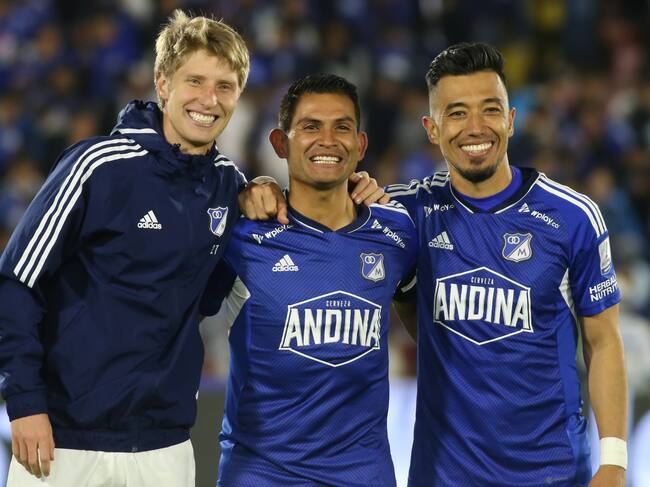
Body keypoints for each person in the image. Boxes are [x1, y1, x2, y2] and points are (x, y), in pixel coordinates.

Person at [0, 11, 384, 487]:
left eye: (225, 86)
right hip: (64, 439)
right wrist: (26, 404)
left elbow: (206, 299)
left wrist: (274, 191)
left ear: (239, 96)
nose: (209, 100)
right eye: (195, 81)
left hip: (165, 449)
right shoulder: (98, 166)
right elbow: (16, 282)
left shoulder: (230, 188)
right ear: (163, 84)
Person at [386, 42, 628, 487]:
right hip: (443, 476)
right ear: (431, 129)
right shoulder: (406, 213)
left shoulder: (572, 217)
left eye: (490, 109)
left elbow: (604, 341)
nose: (476, 127)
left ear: (511, 119)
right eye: (456, 113)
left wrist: (613, 460)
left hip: (551, 474)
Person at [200, 73, 417, 486]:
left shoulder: (398, 234)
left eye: (342, 127)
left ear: (360, 145)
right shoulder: (242, 236)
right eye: (311, 126)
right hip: (261, 475)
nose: (328, 140)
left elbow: (422, 320)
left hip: (364, 476)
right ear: (281, 143)